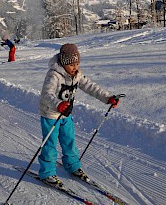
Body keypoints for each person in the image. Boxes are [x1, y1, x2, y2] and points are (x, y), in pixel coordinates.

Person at [38, 43, 122, 187]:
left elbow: (91, 86)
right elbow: (46, 95)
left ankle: (72, 166)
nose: (75, 67)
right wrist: (58, 104)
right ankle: (47, 173)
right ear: (63, 63)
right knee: (50, 145)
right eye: (71, 64)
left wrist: (107, 98)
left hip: (66, 115)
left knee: (69, 141)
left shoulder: (76, 75)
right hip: (50, 114)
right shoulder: (54, 75)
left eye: (77, 63)